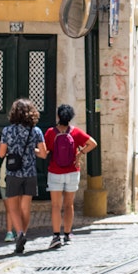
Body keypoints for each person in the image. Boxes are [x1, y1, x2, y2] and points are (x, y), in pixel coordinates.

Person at [0, 98, 47, 255]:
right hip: (30, 173)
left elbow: (1, 154)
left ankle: (18, 234)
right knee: (25, 207)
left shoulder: (7, 131)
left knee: (13, 208)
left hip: (13, 173)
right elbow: (44, 154)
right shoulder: (36, 131)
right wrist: (31, 150)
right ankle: (23, 235)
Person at [44, 104, 97, 248]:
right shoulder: (76, 132)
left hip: (55, 172)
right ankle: (67, 234)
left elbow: (46, 151)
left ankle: (56, 236)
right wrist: (80, 153)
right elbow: (93, 143)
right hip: (73, 171)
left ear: (58, 116)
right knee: (69, 204)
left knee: (56, 205)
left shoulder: (50, 132)